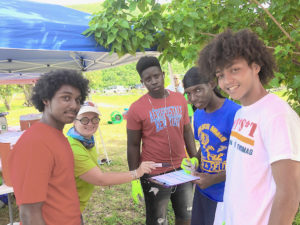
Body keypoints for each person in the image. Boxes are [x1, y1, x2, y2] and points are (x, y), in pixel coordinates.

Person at [198, 29, 300, 225]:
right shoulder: (242, 112)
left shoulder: (277, 116)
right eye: (220, 75)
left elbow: (290, 194)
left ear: (256, 66)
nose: (227, 81)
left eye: (234, 70)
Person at [9, 70, 90, 225]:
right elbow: (29, 214)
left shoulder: (58, 136)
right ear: (46, 99)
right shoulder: (35, 143)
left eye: (78, 99)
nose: (74, 105)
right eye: (66, 98)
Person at [127, 56, 199, 225]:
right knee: (158, 220)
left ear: (163, 74)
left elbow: (187, 131)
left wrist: (195, 158)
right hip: (154, 173)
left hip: (182, 169)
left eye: (156, 76)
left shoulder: (180, 99)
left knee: (186, 216)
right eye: (148, 79)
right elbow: (133, 145)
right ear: (142, 81)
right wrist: (134, 177)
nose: (153, 81)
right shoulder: (136, 108)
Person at [66, 101, 155, 213]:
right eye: (84, 119)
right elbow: (100, 179)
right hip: (64, 209)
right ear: (74, 121)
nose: (90, 124)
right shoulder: (74, 148)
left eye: (95, 119)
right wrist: (137, 172)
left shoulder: (86, 141)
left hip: (75, 205)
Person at [182, 66, 240, 225]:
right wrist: (195, 160)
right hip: (203, 191)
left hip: (225, 195)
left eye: (198, 90)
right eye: (188, 93)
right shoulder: (198, 114)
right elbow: (205, 145)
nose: (193, 98)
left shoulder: (236, 114)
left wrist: (214, 178)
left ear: (212, 84)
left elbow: (246, 162)